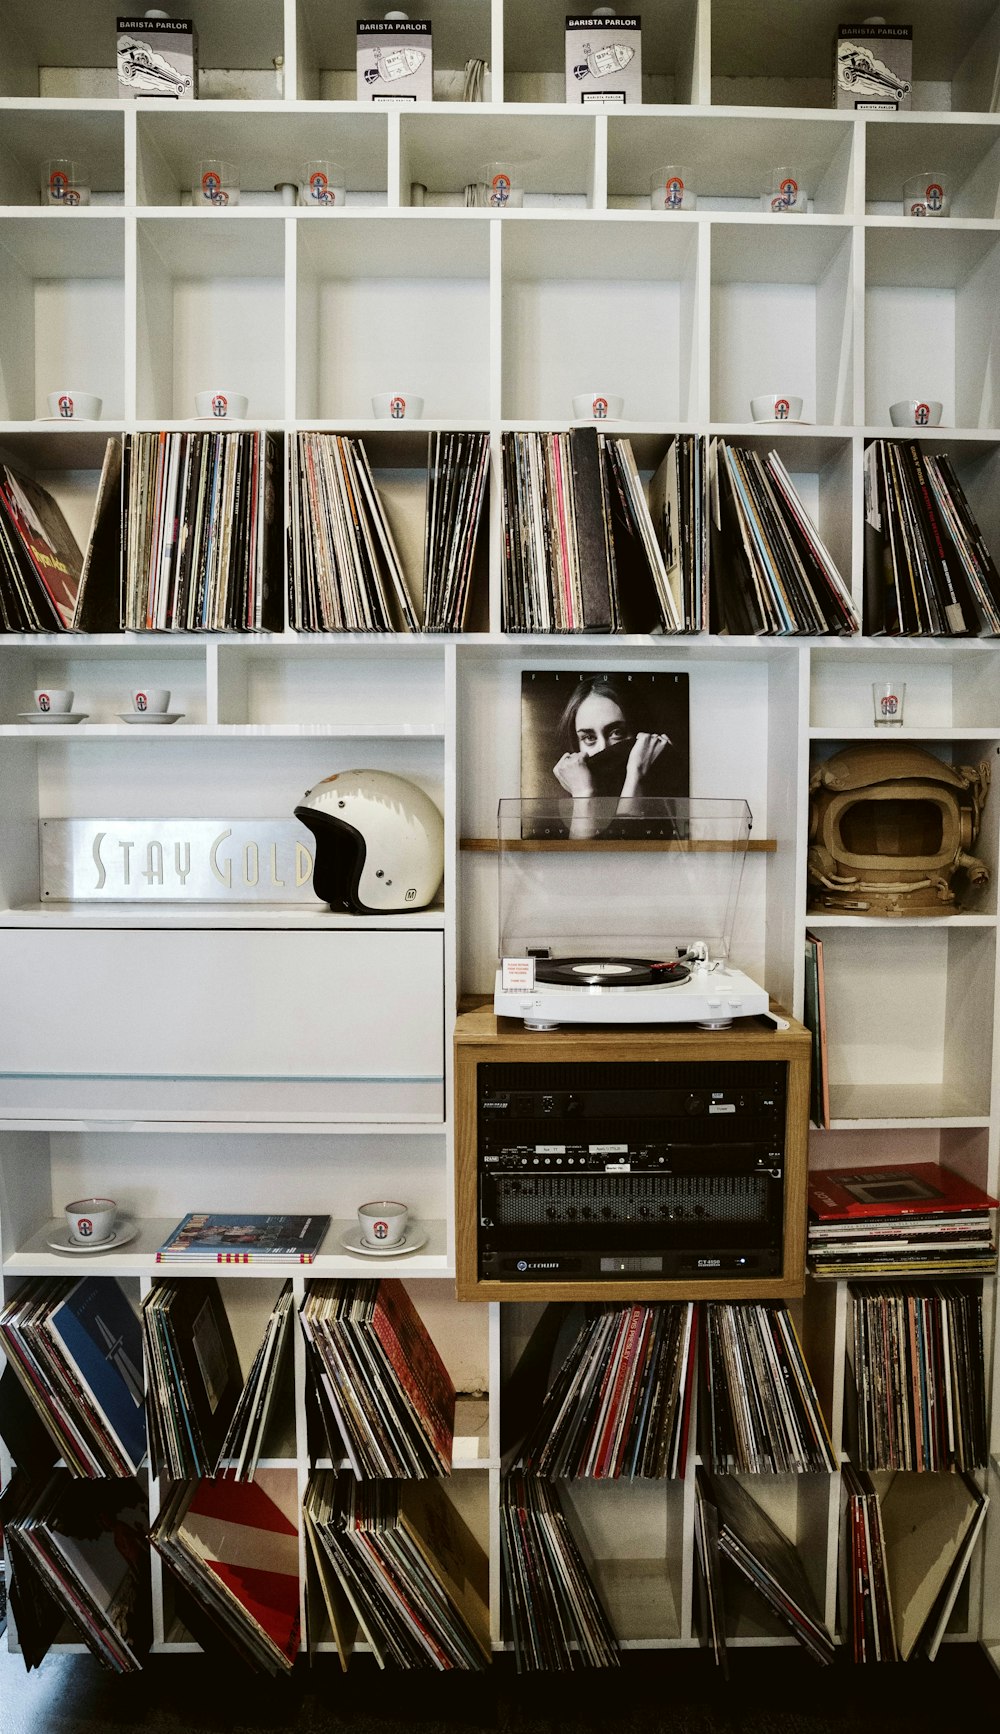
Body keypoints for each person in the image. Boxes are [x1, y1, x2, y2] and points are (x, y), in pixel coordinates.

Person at [551, 674, 673, 838]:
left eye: (617, 733)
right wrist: (583, 794)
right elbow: (581, 863)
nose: (602, 748)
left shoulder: (672, 789)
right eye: (589, 738)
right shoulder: (559, 812)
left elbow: (625, 855)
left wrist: (635, 776)